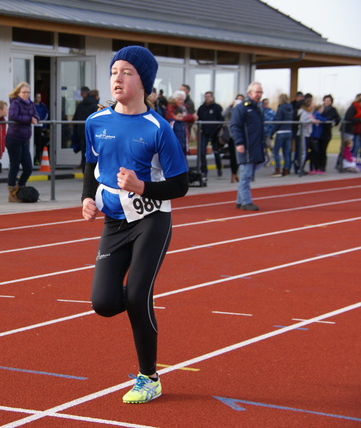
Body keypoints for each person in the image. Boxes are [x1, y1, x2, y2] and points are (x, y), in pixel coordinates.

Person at [81, 46, 188, 404]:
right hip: (114, 220)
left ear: (143, 82)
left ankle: (149, 377)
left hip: (152, 218)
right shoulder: (96, 121)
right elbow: (90, 164)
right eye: (114, 71)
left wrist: (143, 186)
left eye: (126, 72)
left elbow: (181, 184)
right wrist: (87, 197)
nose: (117, 78)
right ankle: (141, 300)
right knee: (103, 302)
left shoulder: (159, 128)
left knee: (139, 294)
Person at [230, 82, 265, 211]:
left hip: (255, 146)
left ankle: (240, 200)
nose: (259, 95)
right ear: (249, 93)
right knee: (245, 175)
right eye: (257, 92)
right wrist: (239, 143)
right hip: (246, 147)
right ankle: (246, 201)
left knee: (247, 174)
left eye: (260, 92)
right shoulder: (242, 108)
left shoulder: (258, 108)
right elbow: (235, 126)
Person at [6, 81, 38, 203]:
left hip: (25, 138)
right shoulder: (15, 103)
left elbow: (36, 115)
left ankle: (21, 187)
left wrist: (35, 119)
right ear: (18, 93)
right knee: (14, 165)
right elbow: (13, 116)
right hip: (14, 137)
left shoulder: (30, 104)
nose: (26, 94)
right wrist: (29, 119)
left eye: (28, 92)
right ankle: (12, 191)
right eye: (24, 92)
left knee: (28, 167)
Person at [197, 91, 224, 177]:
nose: (207, 98)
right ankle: (204, 170)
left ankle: (219, 168)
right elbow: (198, 119)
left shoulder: (217, 107)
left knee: (216, 152)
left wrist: (218, 130)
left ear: (212, 97)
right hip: (204, 132)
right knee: (202, 152)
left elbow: (221, 119)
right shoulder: (201, 108)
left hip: (215, 133)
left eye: (208, 97)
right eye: (205, 97)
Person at [72, 88, 100, 170]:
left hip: (82, 132)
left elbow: (75, 119)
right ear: (96, 96)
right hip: (94, 134)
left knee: (85, 153)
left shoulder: (80, 105)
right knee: (94, 154)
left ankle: (85, 173)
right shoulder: (96, 106)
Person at [222, 94, 244, 182]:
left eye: (241, 100)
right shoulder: (231, 109)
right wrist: (231, 105)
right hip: (232, 135)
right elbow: (223, 114)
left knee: (239, 155)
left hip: (241, 135)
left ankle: (236, 173)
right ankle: (233, 174)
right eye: (237, 100)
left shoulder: (244, 110)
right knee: (233, 156)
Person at [271, 94, 293, 177]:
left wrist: (272, 132)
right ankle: (286, 169)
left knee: (276, 151)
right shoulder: (291, 108)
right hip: (289, 131)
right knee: (286, 152)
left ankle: (277, 169)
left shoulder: (281, 108)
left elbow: (278, 120)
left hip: (281, 131)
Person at [296, 97, 320, 176]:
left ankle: (300, 162)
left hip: (308, 135)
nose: (313, 105)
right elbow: (302, 123)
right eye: (312, 104)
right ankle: (300, 167)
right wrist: (310, 121)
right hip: (303, 134)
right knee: (304, 152)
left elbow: (312, 120)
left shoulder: (310, 113)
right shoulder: (304, 113)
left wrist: (315, 121)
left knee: (315, 150)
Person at [318, 94, 341, 173]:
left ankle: (322, 166)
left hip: (326, 132)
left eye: (329, 101)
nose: (327, 102)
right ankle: (317, 166)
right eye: (326, 100)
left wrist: (334, 123)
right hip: (318, 132)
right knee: (317, 150)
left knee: (323, 149)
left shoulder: (333, 110)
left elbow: (337, 118)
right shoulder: (320, 108)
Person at [342, 93, 361, 159]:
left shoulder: (360, 108)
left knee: (356, 146)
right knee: (348, 147)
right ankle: (343, 163)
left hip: (357, 130)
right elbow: (348, 118)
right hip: (350, 129)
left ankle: (353, 161)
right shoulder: (354, 107)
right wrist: (360, 120)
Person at [33, 92, 49, 166]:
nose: (38, 99)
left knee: (39, 144)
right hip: (33, 127)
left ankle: (37, 159)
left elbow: (46, 114)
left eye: (40, 97)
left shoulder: (42, 106)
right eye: (37, 97)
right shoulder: (32, 106)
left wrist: (41, 122)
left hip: (40, 127)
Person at [261, 98, 275, 166]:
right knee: (264, 146)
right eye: (264, 103)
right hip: (261, 131)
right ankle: (267, 159)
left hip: (269, 131)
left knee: (268, 144)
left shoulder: (271, 111)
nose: (265, 104)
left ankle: (274, 153)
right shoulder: (260, 111)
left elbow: (274, 120)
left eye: (266, 103)